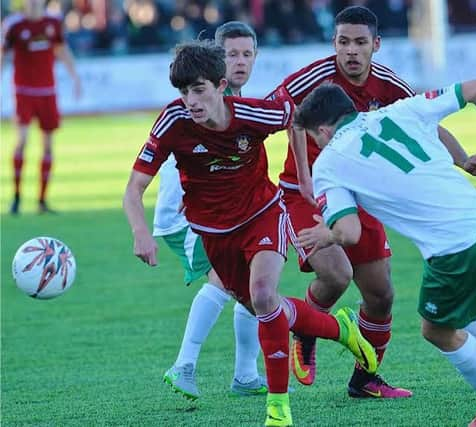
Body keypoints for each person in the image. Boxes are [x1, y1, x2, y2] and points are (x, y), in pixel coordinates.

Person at [123, 39, 378, 427]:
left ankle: (278, 409)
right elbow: (134, 189)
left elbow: (295, 118)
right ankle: (340, 329)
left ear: (221, 85)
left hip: (262, 213)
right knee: (268, 308)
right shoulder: (174, 121)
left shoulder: (252, 114)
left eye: (199, 89)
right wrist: (141, 231)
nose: (190, 100)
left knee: (262, 297)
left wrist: (305, 177)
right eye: (183, 91)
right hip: (214, 233)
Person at [294, 80, 476, 426]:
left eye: (314, 137)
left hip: (455, 246)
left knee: (436, 329)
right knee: (462, 308)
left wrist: (324, 234)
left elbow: (349, 232)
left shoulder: (328, 164)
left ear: (324, 130)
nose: (318, 143)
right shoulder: (398, 111)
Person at [268, 5, 476, 398]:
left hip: (360, 194)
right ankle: (306, 328)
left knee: (380, 294)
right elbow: (287, 115)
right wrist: (303, 174)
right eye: (343, 42)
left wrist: (462, 161)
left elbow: (424, 123)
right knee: (336, 275)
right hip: (306, 193)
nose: (350, 51)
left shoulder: (388, 84)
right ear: (333, 43)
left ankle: (365, 379)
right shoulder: (315, 77)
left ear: (376, 44)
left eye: (359, 42)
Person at [156, 21, 268, 400]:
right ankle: (183, 365)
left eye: (246, 54)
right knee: (225, 280)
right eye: (231, 54)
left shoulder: (239, 103)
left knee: (256, 282)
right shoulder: (199, 101)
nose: (239, 61)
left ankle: (246, 375)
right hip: (190, 215)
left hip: (222, 211)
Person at [1, 0, 81, 214]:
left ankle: (42, 200)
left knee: (47, 146)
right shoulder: (14, 24)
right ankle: (17, 197)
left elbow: (62, 50)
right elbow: (3, 54)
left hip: (47, 91)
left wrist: (75, 77)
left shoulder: (53, 22)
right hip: (23, 91)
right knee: (22, 141)